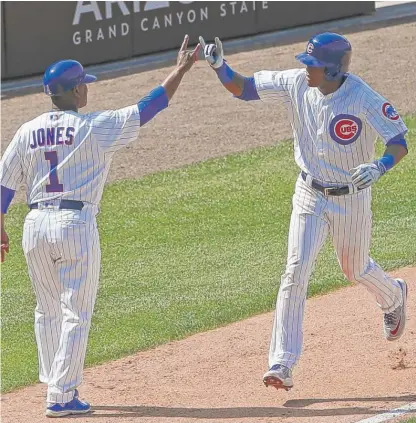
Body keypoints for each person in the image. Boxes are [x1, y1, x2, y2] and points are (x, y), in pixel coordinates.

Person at [0, 35, 200, 417]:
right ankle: (61, 395)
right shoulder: (95, 127)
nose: (87, 89)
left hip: (35, 225)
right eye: (84, 85)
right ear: (76, 90)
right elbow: (150, 106)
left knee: (47, 309)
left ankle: (53, 378)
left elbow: (3, 186)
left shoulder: (27, 131)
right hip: (75, 224)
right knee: (76, 311)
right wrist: (180, 69)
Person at [198, 33, 408, 391]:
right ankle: (282, 362)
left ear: (331, 69)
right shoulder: (295, 83)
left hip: (351, 198)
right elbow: (245, 89)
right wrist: (220, 66)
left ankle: (393, 296)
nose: (305, 69)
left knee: (354, 268)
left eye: (311, 65)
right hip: (309, 192)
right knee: (295, 271)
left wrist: (380, 166)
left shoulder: (362, 97)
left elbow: (399, 141)